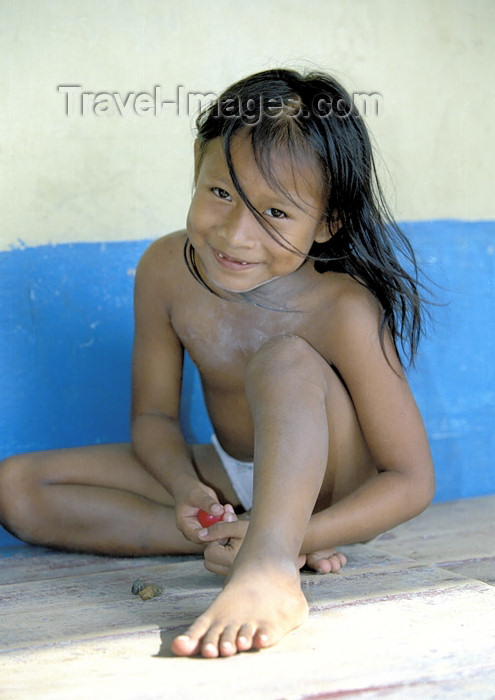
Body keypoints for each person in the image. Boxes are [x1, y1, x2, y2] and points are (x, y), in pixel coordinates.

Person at [0, 68, 435, 658]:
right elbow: (153, 418)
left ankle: (271, 565)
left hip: (329, 490)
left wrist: (304, 531)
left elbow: (410, 481)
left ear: (328, 222)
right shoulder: (164, 270)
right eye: (221, 193)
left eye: (276, 214)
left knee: (282, 360)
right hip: (232, 474)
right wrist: (187, 489)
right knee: (17, 489)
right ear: (197, 169)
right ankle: (236, 539)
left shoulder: (344, 308)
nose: (235, 233)